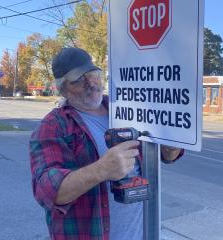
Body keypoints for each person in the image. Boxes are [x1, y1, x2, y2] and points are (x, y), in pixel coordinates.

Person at [29, 47, 184, 240]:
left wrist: (172, 146)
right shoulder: (53, 126)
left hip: (142, 233)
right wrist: (101, 170)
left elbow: (166, 156)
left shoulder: (126, 108)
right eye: (79, 79)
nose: (90, 83)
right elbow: (47, 191)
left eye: (93, 74)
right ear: (63, 88)